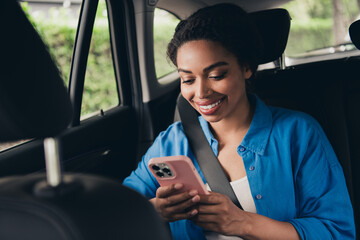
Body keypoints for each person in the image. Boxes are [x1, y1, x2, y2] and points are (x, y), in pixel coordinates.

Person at [123, 3, 355, 240]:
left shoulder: (298, 134)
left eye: (216, 75)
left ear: (246, 67)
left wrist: (244, 223)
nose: (201, 92)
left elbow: (337, 231)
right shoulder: (172, 142)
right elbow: (117, 208)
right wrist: (155, 209)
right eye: (188, 79)